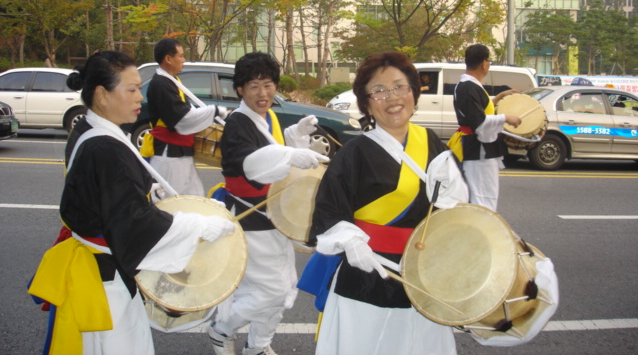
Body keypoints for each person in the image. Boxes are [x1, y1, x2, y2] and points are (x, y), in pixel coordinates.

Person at [28, 51, 236, 355]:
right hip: (105, 283)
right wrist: (199, 226)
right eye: (132, 89)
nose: (141, 96)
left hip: (100, 271)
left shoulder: (89, 130)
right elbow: (135, 224)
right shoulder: (104, 146)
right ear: (101, 94)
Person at [305, 51, 467, 355]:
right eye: (379, 90)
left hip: (421, 276)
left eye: (399, 86)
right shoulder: (354, 153)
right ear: (366, 103)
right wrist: (350, 241)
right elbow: (329, 211)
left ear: (414, 93)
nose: (392, 97)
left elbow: (455, 209)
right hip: (365, 273)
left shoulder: (432, 143)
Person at [207, 52, 329, 355]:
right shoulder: (237, 123)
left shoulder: (266, 117)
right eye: (254, 87)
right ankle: (222, 330)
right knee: (272, 289)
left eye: (268, 85)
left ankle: (259, 345)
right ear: (239, 90)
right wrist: (290, 155)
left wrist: (296, 135)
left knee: (280, 282)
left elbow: (274, 150)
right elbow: (251, 165)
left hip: (274, 213)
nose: (263, 94)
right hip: (250, 217)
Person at [145, 38, 226, 197]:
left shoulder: (171, 81)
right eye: (180, 56)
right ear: (168, 59)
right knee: (171, 201)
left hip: (180, 154)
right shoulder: (161, 84)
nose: (184, 60)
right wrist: (216, 111)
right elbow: (182, 120)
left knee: (193, 197)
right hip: (169, 156)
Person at [447, 44, 521, 211]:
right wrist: (506, 118)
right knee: (482, 195)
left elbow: (477, 110)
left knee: (483, 193)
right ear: (484, 63)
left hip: (479, 148)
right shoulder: (468, 86)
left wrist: (499, 97)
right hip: (478, 149)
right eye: (489, 60)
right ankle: (481, 231)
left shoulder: (470, 85)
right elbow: (478, 122)